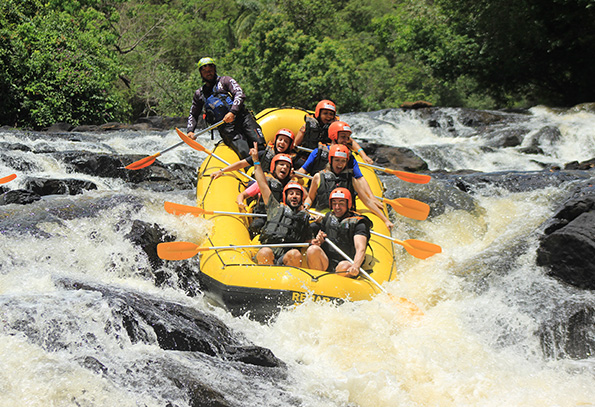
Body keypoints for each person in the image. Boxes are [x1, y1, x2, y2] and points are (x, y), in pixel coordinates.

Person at [248, 143, 315, 267]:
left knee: (295, 253)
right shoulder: (275, 207)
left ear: (301, 198)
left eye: (297, 194)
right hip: (269, 251)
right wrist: (256, 161)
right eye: (291, 194)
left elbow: (307, 239)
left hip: (285, 257)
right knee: (265, 252)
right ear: (285, 196)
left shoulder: (304, 217)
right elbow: (262, 184)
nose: (294, 196)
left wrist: (316, 241)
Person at [186, 57, 265, 159]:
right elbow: (193, 114)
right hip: (227, 128)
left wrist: (233, 112)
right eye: (205, 71)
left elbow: (239, 94)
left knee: (260, 147)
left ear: (214, 70)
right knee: (244, 152)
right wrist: (190, 131)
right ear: (201, 74)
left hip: (243, 118)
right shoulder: (199, 94)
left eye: (210, 70)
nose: (208, 73)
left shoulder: (225, 81)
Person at [304, 144, 394, 230]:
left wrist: (385, 220)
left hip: (344, 216)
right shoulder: (318, 177)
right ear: (331, 160)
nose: (340, 164)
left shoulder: (351, 179)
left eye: (343, 161)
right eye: (337, 160)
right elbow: (310, 198)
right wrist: (305, 208)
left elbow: (367, 201)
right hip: (324, 216)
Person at [307, 188, 373, 277]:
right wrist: (320, 240)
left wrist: (356, 266)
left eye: (341, 204)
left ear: (348, 204)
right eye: (334, 204)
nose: (337, 207)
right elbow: (321, 237)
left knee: (344, 265)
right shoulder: (328, 217)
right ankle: (317, 281)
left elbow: (360, 248)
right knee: (312, 249)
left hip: (347, 262)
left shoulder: (359, 223)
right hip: (329, 261)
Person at [294, 99, 373, 164]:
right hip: (307, 154)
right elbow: (295, 144)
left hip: (324, 157)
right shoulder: (307, 126)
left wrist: (364, 155)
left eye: (331, 114)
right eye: (325, 113)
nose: (329, 116)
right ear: (318, 113)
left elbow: (351, 142)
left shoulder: (334, 127)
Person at [236, 153, 294, 237]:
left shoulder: (291, 187)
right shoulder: (265, 182)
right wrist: (240, 202)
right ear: (274, 167)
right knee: (258, 224)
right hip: (262, 216)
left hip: (281, 219)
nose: (284, 167)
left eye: (287, 166)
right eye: (281, 164)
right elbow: (242, 195)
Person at [211, 128, 298, 180]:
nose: (282, 143)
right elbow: (242, 163)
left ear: (289, 145)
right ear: (276, 141)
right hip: (261, 182)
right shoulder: (264, 154)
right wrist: (221, 171)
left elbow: (304, 170)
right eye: (280, 140)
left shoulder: (293, 159)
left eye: (286, 141)